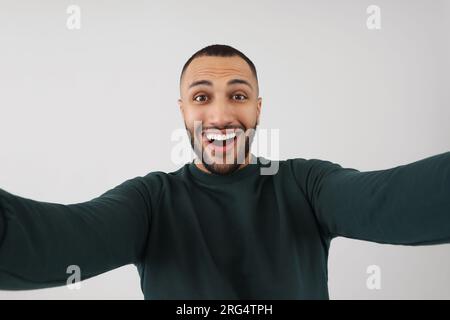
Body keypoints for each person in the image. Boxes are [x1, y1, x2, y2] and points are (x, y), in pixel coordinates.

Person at [0, 44, 449, 299]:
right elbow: (55, 243)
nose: (219, 115)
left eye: (237, 96)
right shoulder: (150, 202)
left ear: (257, 107)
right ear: (182, 111)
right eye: (201, 97)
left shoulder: (305, 185)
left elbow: (393, 201)